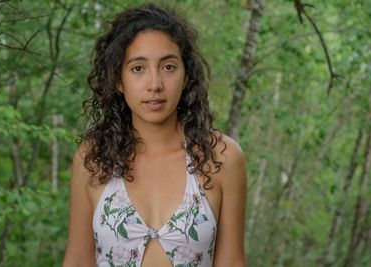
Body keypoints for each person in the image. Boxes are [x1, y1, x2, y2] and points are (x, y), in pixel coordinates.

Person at [63, 3, 246, 267]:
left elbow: (232, 263)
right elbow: (77, 261)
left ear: (186, 76)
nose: (155, 85)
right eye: (138, 68)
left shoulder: (222, 158)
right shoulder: (92, 158)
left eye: (168, 67)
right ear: (118, 79)